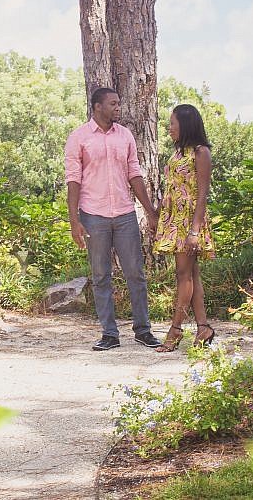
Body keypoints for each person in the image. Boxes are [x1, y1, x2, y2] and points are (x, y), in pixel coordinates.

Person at [64, 87, 162, 351]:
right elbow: (73, 180)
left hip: (124, 213)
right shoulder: (79, 138)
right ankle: (109, 334)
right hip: (93, 214)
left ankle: (143, 330)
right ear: (97, 106)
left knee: (136, 274)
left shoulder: (125, 136)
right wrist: (74, 220)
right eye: (113, 104)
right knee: (100, 275)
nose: (118, 108)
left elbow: (134, 174)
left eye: (119, 103)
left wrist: (150, 211)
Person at [153, 104, 217, 352]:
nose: (169, 128)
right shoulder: (178, 153)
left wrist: (194, 231)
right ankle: (203, 328)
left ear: (185, 124)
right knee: (192, 274)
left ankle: (176, 330)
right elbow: (171, 189)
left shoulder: (201, 152)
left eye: (172, 123)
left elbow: (202, 194)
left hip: (190, 222)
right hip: (174, 220)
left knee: (183, 275)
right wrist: (158, 216)